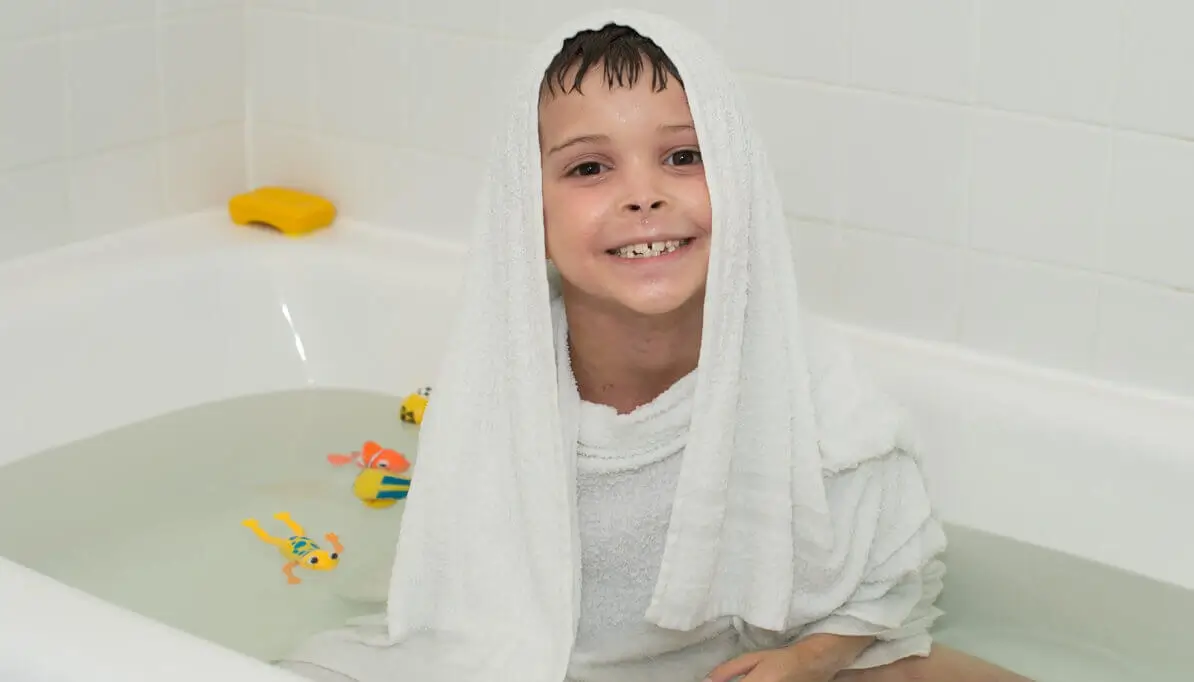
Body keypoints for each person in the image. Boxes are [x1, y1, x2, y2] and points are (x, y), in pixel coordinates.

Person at [276, 11, 1033, 682]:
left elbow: (893, 581)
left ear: (742, 180)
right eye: (589, 168)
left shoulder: (814, 394)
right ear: (526, 209)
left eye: (682, 157)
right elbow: (466, 605)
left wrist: (806, 661)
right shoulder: (499, 389)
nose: (643, 196)